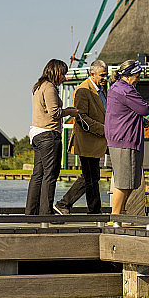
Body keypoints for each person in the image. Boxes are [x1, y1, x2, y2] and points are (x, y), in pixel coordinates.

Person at [54, 60, 109, 215]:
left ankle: (92, 209)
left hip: (97, 140)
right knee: (89, 176)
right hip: (87, 139)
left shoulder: (101, 89)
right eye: (102, 75)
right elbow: (81, 117)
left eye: (106, 75)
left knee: (92, 175)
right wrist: (104, 130)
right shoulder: (83, 90)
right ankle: (66, 204)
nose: (105, 78)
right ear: (92, 74)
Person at [25, 59, 78, 215]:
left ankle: (31, 212)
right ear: (55, 72)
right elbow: (54, 112)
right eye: (63, 74)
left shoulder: (38, 86)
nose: (64, 78)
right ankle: (46, 212)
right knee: (50, 174)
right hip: (49, 134)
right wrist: (69, 111)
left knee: (38, 174)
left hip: (36, 134)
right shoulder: (49, 87)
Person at [105, 59, 149, 214]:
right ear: (130, 75)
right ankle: (116, 216)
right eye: (137, 75)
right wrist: (143, 111)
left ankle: (121, 212)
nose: (139, 79)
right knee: (124, 182)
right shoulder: (126, 91)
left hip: (120, 138)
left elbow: (127, 112)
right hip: (126, 139)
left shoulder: (115, 88)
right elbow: (144, 108)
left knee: (129, 181)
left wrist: (138, 120)